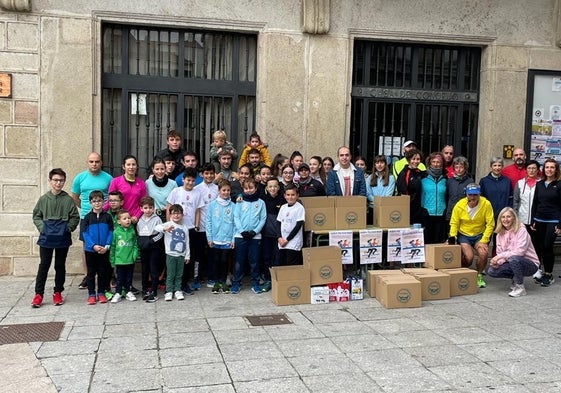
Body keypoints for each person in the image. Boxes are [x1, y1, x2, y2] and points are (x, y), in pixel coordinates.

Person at [31, 168, 80, 308]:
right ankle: (38, 294)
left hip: (62, 237)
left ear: (64, 182)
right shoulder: (43, 199)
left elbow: (75, 217)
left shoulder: (68, 200)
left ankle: (58, 291)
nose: (58, 183)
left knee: (60, 265)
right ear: (50, 181)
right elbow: (36, 216)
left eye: (61, 180)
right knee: (44, 265)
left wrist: (67, 228)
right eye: (55, 180)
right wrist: (43, 228)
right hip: (46, 237)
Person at [70, 152, 112, 290]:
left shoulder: (108, 178)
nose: (94, 164)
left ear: (101, 162)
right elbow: (75, 196)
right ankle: (88, 276)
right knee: (86, 247)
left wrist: (103, 208)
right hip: (86, 218)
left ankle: (109, 275)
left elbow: (111, 197)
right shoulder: (80, 178)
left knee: (107, 245)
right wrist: (86, 208)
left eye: (97, 161)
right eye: (91, 161)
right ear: (87, 162)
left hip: (104, 217)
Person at [448, 183, 495, 289]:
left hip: (479, 234)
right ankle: (462, 273)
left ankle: (479, 275)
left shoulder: (486, 204)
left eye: (475, 195)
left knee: (483, 253)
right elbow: (454, 223)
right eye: (470, 195)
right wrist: (453, 237)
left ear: (479, 194)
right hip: (464, 234)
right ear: (466, 194)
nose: (472, 197)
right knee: (468, 258)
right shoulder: (459, 205)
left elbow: (490, 224)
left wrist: (484, 240)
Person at [166, 167, 204, 293]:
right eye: (188, 180)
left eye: (193, 181)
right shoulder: (176, 191)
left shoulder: (197, 193)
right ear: (183, 179)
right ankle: (173, 283)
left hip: (191, 229)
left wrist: (197, 226)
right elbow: (169, 207)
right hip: (177, 229)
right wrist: (169, 224)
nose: (190, 183)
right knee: (176, 255)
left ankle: (184, 283)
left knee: (188, 257)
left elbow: (198, 210)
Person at [487, 207, 539, 297]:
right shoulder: (499, 234)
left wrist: (499, 256)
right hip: (513, 262)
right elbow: (500, 253)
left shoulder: (521, 230)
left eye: (508, 217)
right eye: (503, 217)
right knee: (492, 271)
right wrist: (497, 262)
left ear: (514, 218)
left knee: (514, 258)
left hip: (530, 264)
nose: (505, 219)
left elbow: (520, 252)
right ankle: (516, 278)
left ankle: (520, 287)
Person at [231, 178, 267, 294]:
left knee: (254, 261)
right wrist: (242, 231)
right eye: (246, 188)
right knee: (239, 261)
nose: (249, 190)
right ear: (243, 189)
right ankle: (236, 283)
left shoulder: (261, 202)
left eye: (251, 188)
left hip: (255, 237)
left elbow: (263, 219)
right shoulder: (240, 201)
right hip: (240, 236)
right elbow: (236, 217)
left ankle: (255, 283)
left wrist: (255, 231)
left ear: (256, 188)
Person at [530, 158, 561, 287]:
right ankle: (541, 271)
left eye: (552, 167)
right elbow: (535, 203)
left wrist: (560, 224)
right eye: (547, 167)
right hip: (539, 219)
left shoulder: (559, 185)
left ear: (556, 169)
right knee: (540, 246)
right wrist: (533, 220)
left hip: (553, 220)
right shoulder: (539, 184)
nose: (549, 170)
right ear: (544, 169)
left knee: (548, 246)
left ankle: (549, 274)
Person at [81, 190, 113, 305]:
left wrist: (107, 246)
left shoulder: (107, 217)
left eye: (99, 201)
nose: (97, 203)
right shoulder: (87, 218)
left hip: (104, 249)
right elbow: (85, 234)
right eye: (94, 201)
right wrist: (93, 245)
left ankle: (101, 292)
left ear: (103, 202)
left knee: (102, 272)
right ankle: (91, 293)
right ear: (90, 203)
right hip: (91, 250)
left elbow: (110, 232)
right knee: (90, 273)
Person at [155, 204, 190, 301]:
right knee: (170, 274)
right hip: (170, 254)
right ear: (170, 215)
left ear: (182, 215)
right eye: (174, 213)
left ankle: (178, 290)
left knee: (179, 274)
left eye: (178, 213)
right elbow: (156, 227)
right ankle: (169, 291)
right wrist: (164, 229)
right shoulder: (168, 224)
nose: (176, 216)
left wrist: (187, 255)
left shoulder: (184, 228)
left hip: (181, 255)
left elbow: (186, 242)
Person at [206, 180, 235, 294]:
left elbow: (235, 223)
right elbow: (208, 222)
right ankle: (216, 282)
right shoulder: (212, 205)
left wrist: (233, 239)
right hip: (215, 238)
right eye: (223, 190)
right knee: (215, 260)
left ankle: (223, 281)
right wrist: (210, 238)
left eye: (228, 190)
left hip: (227, 239)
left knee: (224, 261)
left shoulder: (233, 206)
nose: (226, 192)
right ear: (219, 191)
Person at [192, 163, 218, 289]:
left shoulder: (217, 188)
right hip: (200, 227)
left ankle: (212, 277)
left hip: (214, 228)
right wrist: (196, 225)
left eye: (211, 173)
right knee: (199, 254)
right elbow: (196, 209)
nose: (209, 176)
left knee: (213, 254)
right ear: (201, 174)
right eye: (206, 173)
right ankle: (197, 278)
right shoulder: (197, 189)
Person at [136, 196, 164, 302]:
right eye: (146, 208)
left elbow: (161, 233)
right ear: (141, 208)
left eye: (151, 207)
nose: (148, 210)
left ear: (154, 208)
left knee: (153, 269)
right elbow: (139, 232)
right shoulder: (140, 220)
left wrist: (152, 241)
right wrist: (141, 242)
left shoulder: (157, 219)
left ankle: (154, 291)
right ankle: (145, 289)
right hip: (144, 247)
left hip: (154, 247)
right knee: (144, 269)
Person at [260, 177, 285, 291]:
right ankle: (267, 279)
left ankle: (277, 279)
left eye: (275, 186)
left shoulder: (283, 199)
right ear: (266, 188)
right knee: (266, 257)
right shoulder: (262, 199)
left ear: (279, 188)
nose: (272, 188)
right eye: (270, 186)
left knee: (278, 258)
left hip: (279, 235)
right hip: (266, 234)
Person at [106, 155, 147, 224]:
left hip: (134, 219)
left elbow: (143, 203)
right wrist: (100, 211)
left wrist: (137, 216)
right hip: (119, 219)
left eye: (133, 164)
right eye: (128, 164)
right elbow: (110, 200)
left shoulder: (141, 183)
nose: (131, 167)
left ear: (137, 166)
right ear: (123, 167)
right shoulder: (115, 181)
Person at [110, 209, 139, 303]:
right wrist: (112, 260)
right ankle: (118, 292)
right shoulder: (116, 232)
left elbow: (135, 244)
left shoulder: (132, 231)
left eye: (129, 218)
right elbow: (113, 247)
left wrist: (134, 255)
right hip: (119, 260)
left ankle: (128, 291)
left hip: (130, 259)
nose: (128, 220)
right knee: (120, 278)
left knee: (129, 277)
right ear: (119, 221)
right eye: (124, 218)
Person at [421, 152, 447, 243]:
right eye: (433, 161)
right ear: (430, 162)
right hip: (426, 213)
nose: (436, 164)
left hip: (441, 213)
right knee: (427, 241)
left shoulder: (445, 178)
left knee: (439, 241)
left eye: (438, 162)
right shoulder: (423, 177)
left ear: (442, 163)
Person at [512, 160, 540, 246]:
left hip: (536, 220)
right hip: (522, 219)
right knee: (521, 244)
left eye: (534, 168)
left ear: (538, 170)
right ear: (526, 170)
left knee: (535, 244)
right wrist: (516, 218)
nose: (531, 170)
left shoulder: (541, 184)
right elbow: (515, 201)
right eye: (529, 168)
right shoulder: (520, 183)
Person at [396, 148, 426, 225]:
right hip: (409, 209)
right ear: (409, 159)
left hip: (419, 209)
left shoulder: (419, 172)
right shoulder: (404, 173)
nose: (416, 161)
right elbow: (402, 192)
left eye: (418, 159)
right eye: (413, 159)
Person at [445, 156, 474, 236]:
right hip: (451, 212)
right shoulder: (449, 181)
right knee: (451, 235)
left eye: (461, 167)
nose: (459, 169)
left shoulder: (470, 181)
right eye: (456, 167)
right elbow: (447, 196)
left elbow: (472, 198)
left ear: (465, 168)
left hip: (464, 213)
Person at [277, 184, 305, 266]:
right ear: (284, 196)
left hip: (293, 242)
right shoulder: (283, 207)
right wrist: (279, 238)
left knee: (291, 265)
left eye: (293, 195)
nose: (290, 197)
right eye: (288, 195)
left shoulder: (299, 208)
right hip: (282, 241)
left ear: (297, 195)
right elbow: (278, 223)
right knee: (282, 264)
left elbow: (298, 226)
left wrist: (287, 239)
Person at [479, 156, 511, 223]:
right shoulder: (484, 181)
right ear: (491, 166)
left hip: (504, 216)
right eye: (495, 165)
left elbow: (510, 198)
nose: (497, 168)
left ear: (502, 166)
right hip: (488, 215)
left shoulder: (507, 181)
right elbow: (480, 199)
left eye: (499, 165)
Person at [145, 158, 176, 222]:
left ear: (165, 169)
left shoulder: (173, 183)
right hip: (152, 216)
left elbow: (177, 201)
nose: (159, 171)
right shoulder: (147, 183)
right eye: (157, 169)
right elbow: (146, 200)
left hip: (168, 216)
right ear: (153, 170)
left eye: (162, 169)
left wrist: (169, 208)